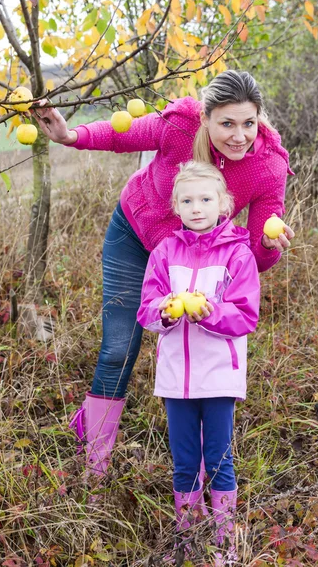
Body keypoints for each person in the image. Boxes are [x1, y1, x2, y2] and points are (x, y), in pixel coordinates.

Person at [31, 70, 295, 478]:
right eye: (227, 124)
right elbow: (123, 134)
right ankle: (94, 467)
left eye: (249, 123)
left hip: (188, 258)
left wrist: (268, 243)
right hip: (134, 234)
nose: (239, 135)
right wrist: (71, 136)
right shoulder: (182, 125)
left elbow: (256, 257)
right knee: (119, 347)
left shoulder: (268, 167)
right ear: (206, 119)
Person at [136, 160, 261, 565]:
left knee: (219, 458)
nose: (196, 207)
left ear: (223, 203)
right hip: (176, 379)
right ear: (176, 205)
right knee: (185, 461)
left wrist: (208, 312)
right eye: (187, 200)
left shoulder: (238, 255)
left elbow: (245, 315)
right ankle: (188, 536)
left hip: (219, 378)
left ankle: (223, 541)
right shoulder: (164, 252)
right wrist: (168, 311)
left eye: (205, 198)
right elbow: (146, 310)